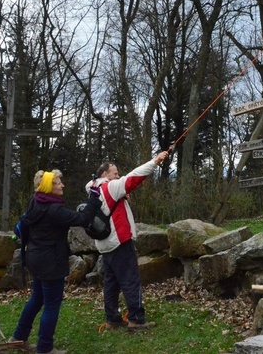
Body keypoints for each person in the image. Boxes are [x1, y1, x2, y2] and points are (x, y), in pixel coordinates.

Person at [10, 170, 101, 354]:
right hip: (51, 261)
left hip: (35, 258)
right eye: (59, 182)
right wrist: (94, 196)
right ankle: (44, 348)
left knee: (37, 299)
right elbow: (83, 219)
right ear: (49, 187)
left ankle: (18, 338)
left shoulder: (35, 201)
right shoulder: (55, 210)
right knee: (51, 304)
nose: (63, 185)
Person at [88, 150, 169, 331]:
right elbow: (134, 177)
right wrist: (155, 161)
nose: (118, 176)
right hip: (119, 242)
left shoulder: (94, 191)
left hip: (105, 245)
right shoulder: (110, 187)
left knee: (111, 283)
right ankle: (136, 319)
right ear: (104, 175)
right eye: (115, 173)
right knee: (130, 280)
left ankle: (113, 319)